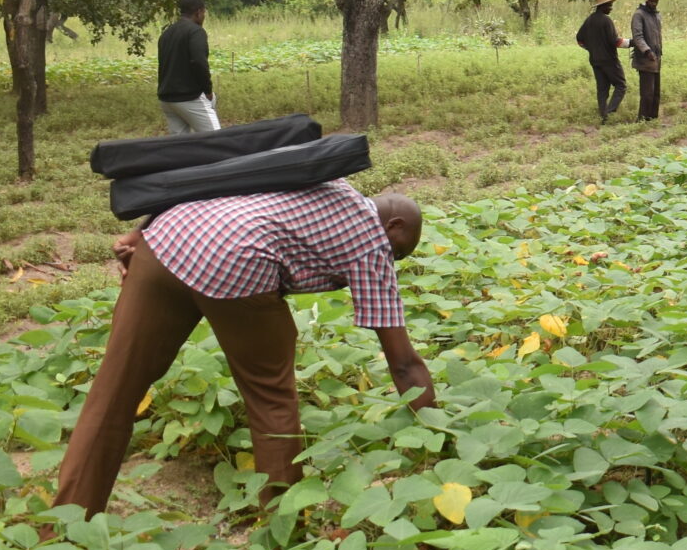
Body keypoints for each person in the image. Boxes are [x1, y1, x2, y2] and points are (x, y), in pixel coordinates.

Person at [53, 182, 437, 516]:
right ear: (394, 225)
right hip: (236, 263)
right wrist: (437, 438)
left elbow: (223, 176)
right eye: (399, 252)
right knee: (270, 395)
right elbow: (403, 364)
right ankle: (280, 527)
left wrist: (142, 230)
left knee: (115, 388)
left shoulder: (323, 179)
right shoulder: (371, 240)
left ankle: (67, 526)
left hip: (168, 237)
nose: (393, 260)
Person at [157, 0, 218, 134]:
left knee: (179, 146)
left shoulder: (167, 33)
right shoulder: (196, 31)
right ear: (198, 12)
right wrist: (208, 90)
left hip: (167, 98)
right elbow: (199, 61)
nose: (204, 17)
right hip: (189, 97)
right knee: (217, 139)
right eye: (203, 13)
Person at [575, 0, 628, 124]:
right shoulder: (606, 21)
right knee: (621, 85)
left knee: (602, 88)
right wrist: (632, 43)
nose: (611, 8)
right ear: (602, 6)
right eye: (609, 5)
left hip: (595, 60)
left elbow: (579, 39)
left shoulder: (589, 20)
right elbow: (614, 42)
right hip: (609, 60)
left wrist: (590, 49)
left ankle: (603, 115)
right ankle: (609, 114)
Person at [630, 0, 665, 121]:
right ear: (646, 0)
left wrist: (657, 53)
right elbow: (638, 37)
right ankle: (642, 119)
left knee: (656, 92)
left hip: (656, 58)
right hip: (645, 59)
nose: (654, 3)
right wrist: (647, 51)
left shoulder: (656, 15)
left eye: (656, 1)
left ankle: (653, 118)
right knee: (647, 93)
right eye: (651, 1)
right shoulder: (638, 15)